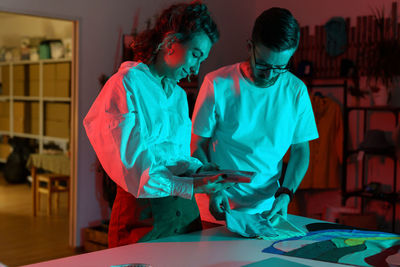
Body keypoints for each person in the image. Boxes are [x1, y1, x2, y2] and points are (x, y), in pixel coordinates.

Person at [84, 2, 229, 247]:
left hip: (185, 216)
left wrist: (202, 173)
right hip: (142, 219)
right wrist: (193, 185)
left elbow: (175, 157)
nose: (196, 69)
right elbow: (136, 172)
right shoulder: (125, 86)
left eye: (201, 59)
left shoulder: (178, 96)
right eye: (195, 55)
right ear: (171, 42)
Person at [191, 7, 319, 223]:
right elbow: (196, 146)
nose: (270, 74)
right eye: (263, 64)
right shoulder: (217, 84)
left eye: (280, 67)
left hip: (267, 211)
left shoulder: (296, 91)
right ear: (250, 47)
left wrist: (286, 194)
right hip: (216, 208)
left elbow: (300, 150)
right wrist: (213, 190)